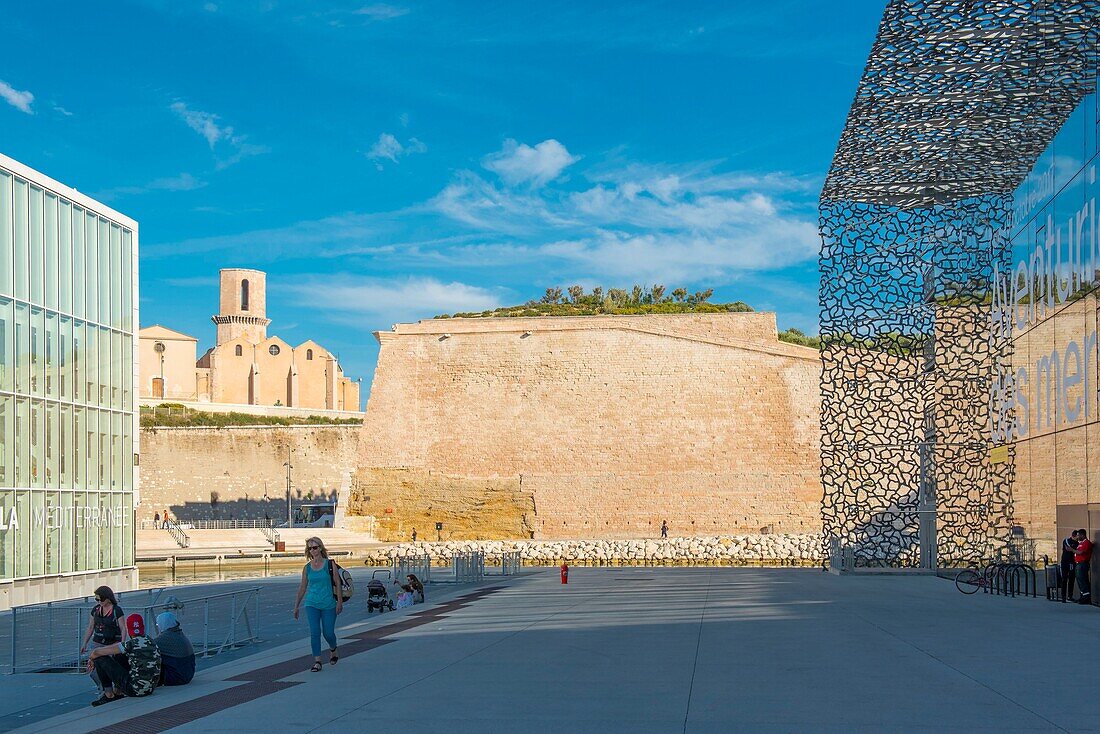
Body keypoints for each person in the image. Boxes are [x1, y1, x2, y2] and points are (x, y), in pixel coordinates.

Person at [87, 614, 161, 706]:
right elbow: (118, 648)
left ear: (128, 629)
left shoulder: (131, 644)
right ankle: (118, 692)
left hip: (135, 689)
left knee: (100, 658)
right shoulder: (151, 641)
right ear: (143, 627)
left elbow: (97, 653)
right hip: (150, 688)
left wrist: (91, 658)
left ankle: (108, 694)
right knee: (120, 655)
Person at [293, 536, 343, 672]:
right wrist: (296, 606)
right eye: (310, 548)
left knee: (328, 633)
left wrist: (339, 601)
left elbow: (337, 583)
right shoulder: (307, 568)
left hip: (329, 604)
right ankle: (317, 661)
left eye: (315, 547)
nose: (313, 550)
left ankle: (333, 649)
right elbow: (302, 587)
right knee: (315, 632)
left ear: (320, 548)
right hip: (311, 603)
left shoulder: (329, 564)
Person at [80, 586, 127, 694]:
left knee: (111, 667)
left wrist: (122, 643)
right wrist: (84, 643)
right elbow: (91, 627)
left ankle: (116, 689)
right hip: (97, 642)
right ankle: (104, 689)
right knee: (95, 669)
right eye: (97, 599)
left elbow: (123, 628)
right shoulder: (96, 610)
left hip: (112, 644)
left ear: (108, 598)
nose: (99, 602)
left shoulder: (116, 610)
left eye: (101, 599)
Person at [154, 612, 196, 686]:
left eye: (158, 624)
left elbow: (148, 646)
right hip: (188, 673)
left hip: (177, 677)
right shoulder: (179, 633)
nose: (158, 627)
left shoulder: (165, 638)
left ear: (162, 624)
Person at [1075, 529, 1092, 605]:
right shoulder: (1080, 543)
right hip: (1078, 564)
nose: (1077, 537)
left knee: (1083, 580)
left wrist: (1072, 550)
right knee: (1080, 580)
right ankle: (1082, 596)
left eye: (1078, 535)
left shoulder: (1086, 543)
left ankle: (1086, 598)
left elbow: (1081, 552)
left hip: (1083, 564)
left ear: (1083, 535)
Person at [1061, 530, 1080, 601]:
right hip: (1065, 562)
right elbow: (1068, 548)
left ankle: (1070, 596)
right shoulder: (1066, 540)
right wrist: (1073, 549)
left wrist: (1073, 549)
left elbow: (1075, 550)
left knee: (1071, 579)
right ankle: (1063, 596)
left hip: (1072, 563)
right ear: (1073, 536)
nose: (1078, 537)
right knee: (1064, 579)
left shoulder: (1077, 543)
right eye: (1077, 536)